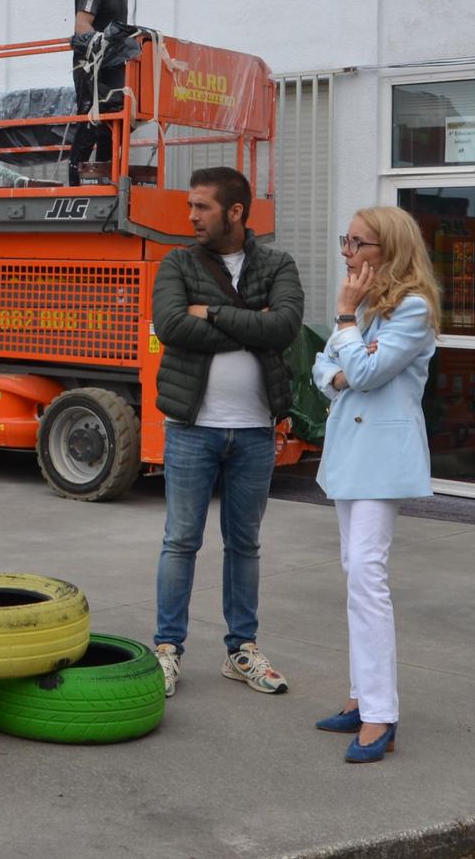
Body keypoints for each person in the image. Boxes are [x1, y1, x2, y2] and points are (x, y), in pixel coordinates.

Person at [148, 166, 304, 699]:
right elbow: (171, 326)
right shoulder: (177, 262)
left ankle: (242, 651)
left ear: (235, 212)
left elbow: (284, 327)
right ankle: (166, 650)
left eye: (202, 207)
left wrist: (212, 311)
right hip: (192, 428)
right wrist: (249, 325)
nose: (191, 216)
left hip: (256, 431)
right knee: (180, 540)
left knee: (245, 544)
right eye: (191, 206)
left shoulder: (278, 263)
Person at [311, 206, 441, 764]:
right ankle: (362, 698)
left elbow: (362, 374)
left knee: (367, 574)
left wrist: (344, 328)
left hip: (382, 460)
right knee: (353, 572)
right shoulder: (367, 309)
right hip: (350, 455)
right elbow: (322, 371)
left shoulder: (412, 310)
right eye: (347, 240)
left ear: (388, 249)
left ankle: (381, 714)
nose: (347, 252)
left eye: (357, 242)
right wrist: (344, 358)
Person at [66, 0, 136, 183]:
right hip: (90, 63)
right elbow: (82, 25)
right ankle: (74, 183)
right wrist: (104, 46)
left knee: (114, 120)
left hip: (113, 63)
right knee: (90, 122)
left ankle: (106, 178)